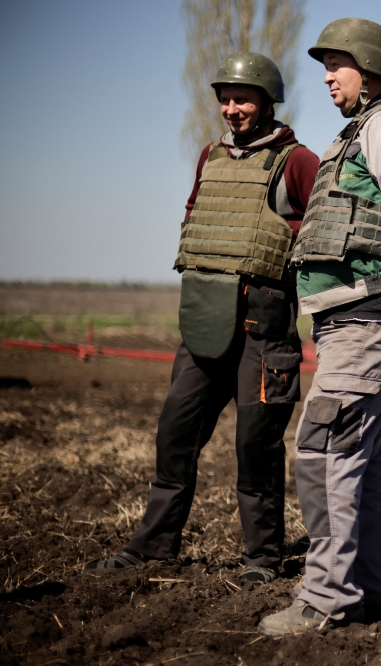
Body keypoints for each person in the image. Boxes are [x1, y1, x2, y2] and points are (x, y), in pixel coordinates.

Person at [85, 52, 320, 583]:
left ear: (266, 101)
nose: (232, 108)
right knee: (175, 430)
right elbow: (196, 216)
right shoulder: (209, 157)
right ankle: (152, 546)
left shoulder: (298, 161)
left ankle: (261, 559)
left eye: (243, 98)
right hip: (205, 324)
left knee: (255, 445)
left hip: (265, 331)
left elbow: (325, 232)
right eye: (225, 99)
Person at [258, 18, 381, 634]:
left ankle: (325, 600)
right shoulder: (363, 131)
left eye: (335, 63)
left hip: (371, 311)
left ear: (366, 70)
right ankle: (364, 590)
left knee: (322, 453)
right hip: (361, 313)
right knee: (358, 459)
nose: (325, 75)